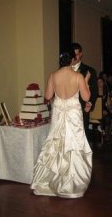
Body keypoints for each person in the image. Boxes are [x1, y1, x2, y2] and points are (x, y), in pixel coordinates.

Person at [31, 50, 92, 198]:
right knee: (73, 144)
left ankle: (49, 180)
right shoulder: (78, 76)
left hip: (58, 113)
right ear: (72, 60)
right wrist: (87, 81)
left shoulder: (53, 75)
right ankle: (71, 181)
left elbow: (47, 96)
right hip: (73, 114)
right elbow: (86, 96)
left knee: (55, 143)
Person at [71, 43, 98, 142]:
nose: (74, 58)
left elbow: (94, 91)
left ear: (81, 54)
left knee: (82, 138)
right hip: (67, 109)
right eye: (72, 55)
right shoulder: (63, 70)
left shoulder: (89, 70)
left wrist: (90, 103)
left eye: (77, 54)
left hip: (82, 108)